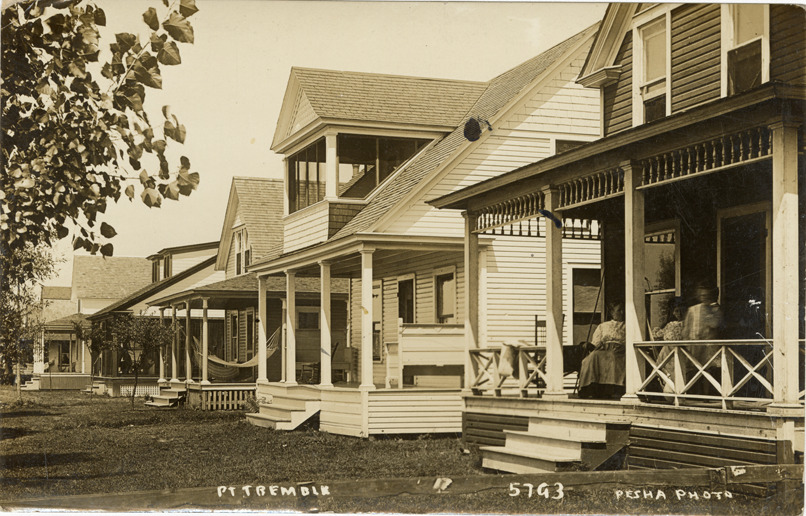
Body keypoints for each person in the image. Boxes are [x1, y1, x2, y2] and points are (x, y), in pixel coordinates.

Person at [578, 303, 626, 399]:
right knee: (593, 356)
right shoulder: (603, 326)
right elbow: (595, 343)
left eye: (623, 310)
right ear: (612, 312)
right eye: (619, 310)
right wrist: (589, 345)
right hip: (604, 349)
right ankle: (589, 387)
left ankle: (612, 388)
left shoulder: (627, 325)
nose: (622, 312)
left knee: (611, 356)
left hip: (620, 352)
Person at [683, 285, 723, 396]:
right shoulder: (693, 310)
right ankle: (694, 395)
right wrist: (686, 345)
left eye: (707, 296)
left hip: (710, 347)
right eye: (702, 295)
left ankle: (707, 396)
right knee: (693, 371)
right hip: (695, 347)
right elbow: (686, 330)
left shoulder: (715, 310)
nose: (704, 298)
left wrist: (710, 311)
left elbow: (715, 324)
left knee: (708, 372)